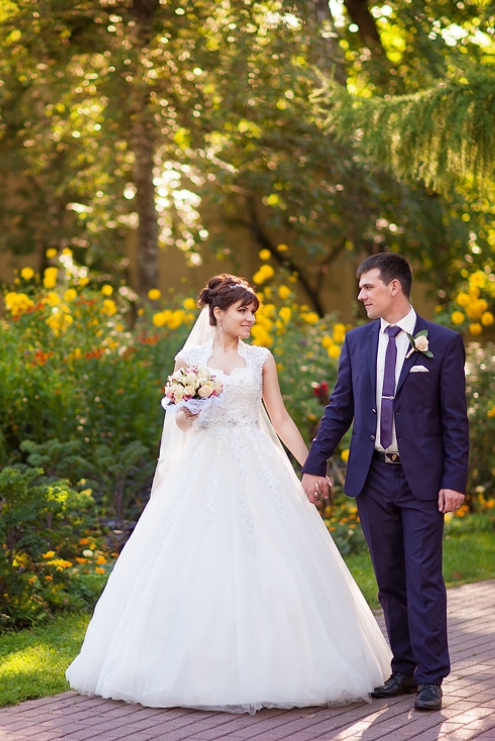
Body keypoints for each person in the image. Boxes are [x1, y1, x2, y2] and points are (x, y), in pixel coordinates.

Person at [66, 274, 391, 713]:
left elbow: (280, 418)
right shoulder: (189, 358)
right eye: (243, 310)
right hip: (204, 463)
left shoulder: (261, 359)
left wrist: (312, 465)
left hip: (258, 461)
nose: (250, 318)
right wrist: (190, 407)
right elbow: (180, 424)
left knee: (276, 554)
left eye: (253, 311)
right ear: (217, 313)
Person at [300, 252, 468, 712]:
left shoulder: (442, 342)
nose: (361, 296)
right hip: (372, 477)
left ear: (394, 287)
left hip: (423, 481)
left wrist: (454, 480)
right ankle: (406, 669)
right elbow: (340, 407)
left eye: (368, 287)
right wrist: (315, 464)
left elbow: (455, 420)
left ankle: (432, 676)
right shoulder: (357, 341)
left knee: (423, 577)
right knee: (390, 579)